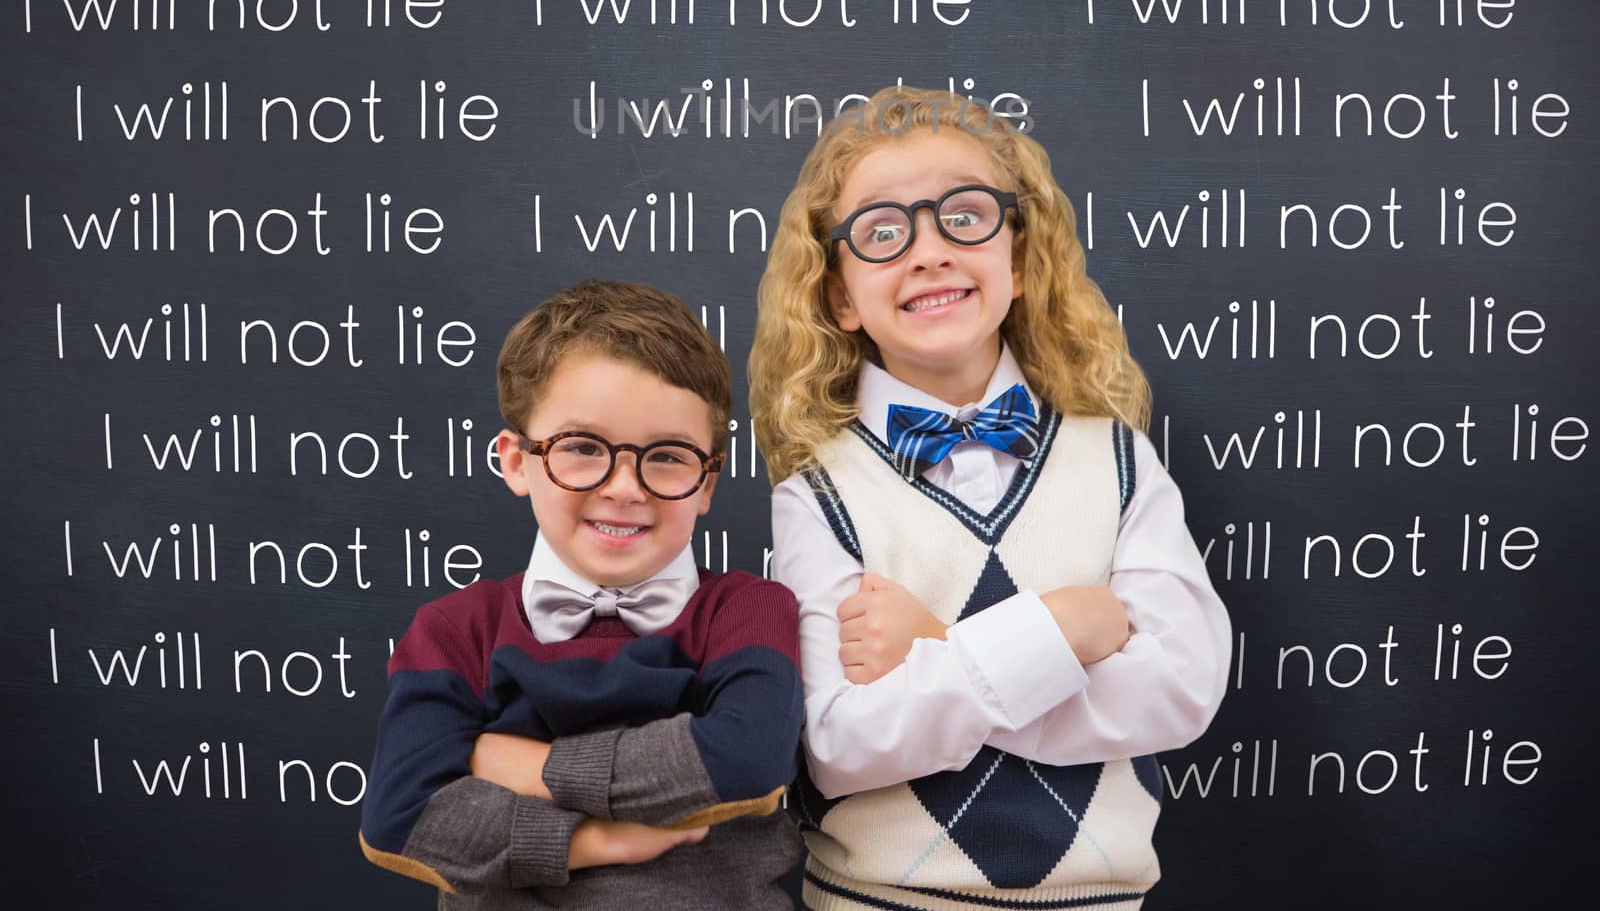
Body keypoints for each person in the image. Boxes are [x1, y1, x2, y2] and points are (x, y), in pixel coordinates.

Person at [749, 86, 1231, 910]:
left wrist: (937, 641)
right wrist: (1064, 630)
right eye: (883, 231)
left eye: (963, 215)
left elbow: (1180, 691)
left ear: (1019, 257)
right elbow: (839, 745)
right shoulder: (818, 491)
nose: (929, 250)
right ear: (838, 295)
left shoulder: (1120, 460)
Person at [360, 278, 803, 908]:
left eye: (669, 456)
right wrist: (597, 839)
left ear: (709, 483)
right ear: (517, 462)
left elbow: (744, 763)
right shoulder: (455, 631)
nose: (625, 487)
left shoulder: (749, 609)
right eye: (583, 448)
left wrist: (524, 767)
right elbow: (405, 819)